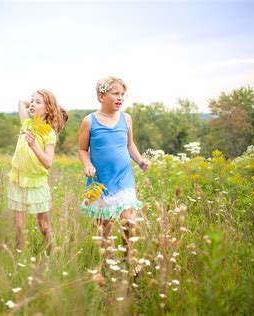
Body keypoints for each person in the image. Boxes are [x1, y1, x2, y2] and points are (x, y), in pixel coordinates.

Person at [78, 76, 149, 263]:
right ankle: (107, 262)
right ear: (102, 97)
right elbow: (82, 150)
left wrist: (140, 160)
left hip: (123, 178)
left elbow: (130, 144)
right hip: (101, 180)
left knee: (130, 221)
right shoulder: (89, 121)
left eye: (123, 94)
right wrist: (88, 165)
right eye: (115, 93)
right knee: (104, 228)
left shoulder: (126, 119)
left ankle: (128, 259)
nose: (120, 97)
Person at [8, 89, 68, 251]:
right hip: (19, 180)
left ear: (48, 109)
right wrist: (33, 103)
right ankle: (19, 258)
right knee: (19, 226)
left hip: (37, 183)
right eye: (32, 101)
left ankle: (54, 253)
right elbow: (21, 102)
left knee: (44, 226)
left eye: (37, 102)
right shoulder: (26, 123)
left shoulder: (49, 133)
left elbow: (48, 162)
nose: (32, 104)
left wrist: (34, 145)